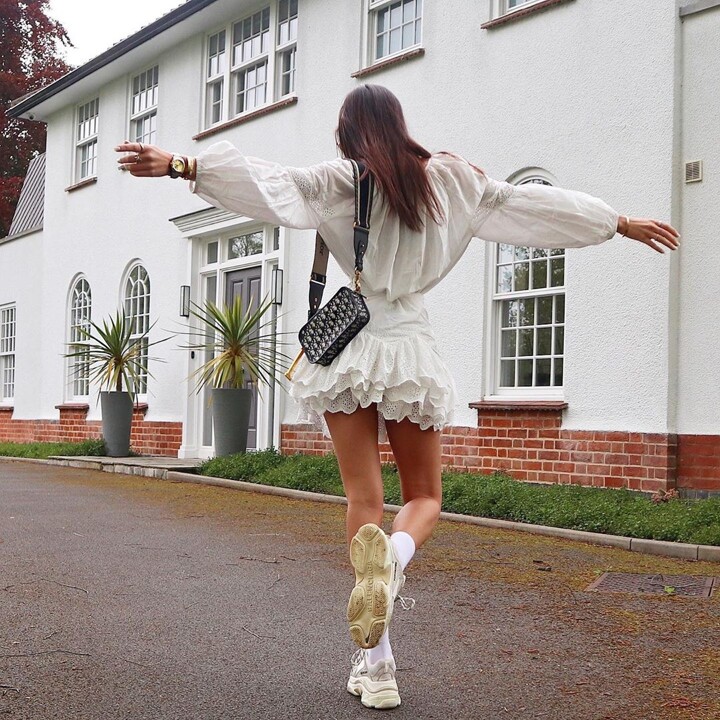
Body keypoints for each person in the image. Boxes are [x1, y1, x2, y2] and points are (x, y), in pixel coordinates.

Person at [115, 84, 679, 710]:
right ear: (399, 123)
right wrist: (617, 222)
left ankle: (378, 666)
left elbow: (271, 185)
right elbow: (531, 207)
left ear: (348, 132)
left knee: (364, 499)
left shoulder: (340, 181)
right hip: (409, 347)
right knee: (425, 497)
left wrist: (181, 164)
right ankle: (396, 559)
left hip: (350, 348)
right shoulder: (454, 181)